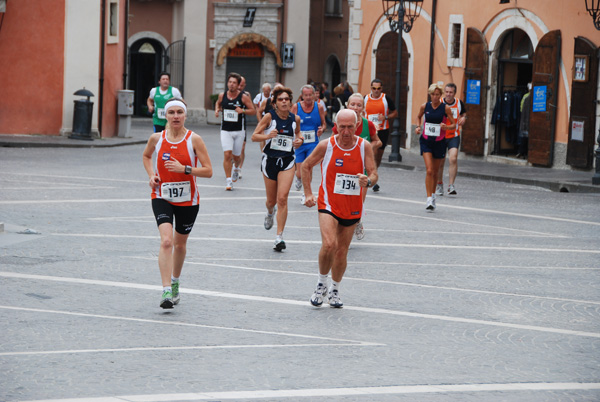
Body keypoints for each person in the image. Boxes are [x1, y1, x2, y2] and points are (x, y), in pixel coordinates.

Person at [302, 109, 378, 308]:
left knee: (342, 251)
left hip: (352, 205)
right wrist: (308, 193)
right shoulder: (326, 145)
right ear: (336, 126)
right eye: (341, 127)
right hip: (328, 203)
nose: (345, 131)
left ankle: (334, 289)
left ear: (357, 127)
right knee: (329, 244)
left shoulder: (364, 146)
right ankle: (321, 284)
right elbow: (306, 166)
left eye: (350, 127)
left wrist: (368, 181)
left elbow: (374, 173)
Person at [142, 98, 213, 308]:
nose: (175, 116)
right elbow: (146, 156)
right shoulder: (157, 138)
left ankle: (174, 282)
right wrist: (152, 175)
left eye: (179, 113)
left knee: (180, 244)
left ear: (185, 115)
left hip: (188, 200)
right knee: (166, 241)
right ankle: (165, 292)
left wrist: (186, 169)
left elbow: (208, 171)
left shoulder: (195, 140)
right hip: (161, 196)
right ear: (165, 115)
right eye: (171, 112)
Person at [251, 86, 303, 251]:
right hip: (270, 161)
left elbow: (299, 134)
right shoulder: (269, 117)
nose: (284, 102)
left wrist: (299, 141)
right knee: (271, 201)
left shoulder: (295, 119)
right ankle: (269, 212)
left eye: (286, 99)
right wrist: (267, 136)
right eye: (280, 99)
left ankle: (279, 237)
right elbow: (254, 136)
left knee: (282, 199)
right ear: (274, 103)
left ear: (290, 102)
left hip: (287, 161)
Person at [332, 93, 381, 240]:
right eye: (353, 104)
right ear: (348, 106)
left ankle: (358, 221)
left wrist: (367, 147)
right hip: (344, 168)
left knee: (359, 199)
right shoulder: (340, 125)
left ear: (363, 109)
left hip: (362, 170)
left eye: (359, 105)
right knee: (341, 199)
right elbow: (333, 144)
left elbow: (378, 142)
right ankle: (340, 226)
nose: (355, 107)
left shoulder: (368, 125)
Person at [415, 83, 455, 211]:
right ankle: (428, 199)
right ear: (430, 94)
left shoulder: (445, 108)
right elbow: (418, 116)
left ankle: (433, 196)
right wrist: (417, 126)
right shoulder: (425, 106)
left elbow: (454, 125)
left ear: (440, 95)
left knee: (436, 172)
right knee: (429, 170)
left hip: (439, 141)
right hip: (426, 141)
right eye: (433, 94)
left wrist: (446, 127)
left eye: (437, 94)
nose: (435, 97)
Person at [214, 72, 256, 190]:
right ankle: (228, 181)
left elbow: (253, 111)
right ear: (227, 83)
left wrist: (243, 111)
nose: (231, 85)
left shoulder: (243, 97)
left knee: (236, 156)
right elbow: (218, 103)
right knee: (227, 155)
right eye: (230, 82)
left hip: (239, 130)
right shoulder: (222, 95)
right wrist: (217, 110)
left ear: (238, 85)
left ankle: (237, 168)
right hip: (225, 130)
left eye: (234, 83)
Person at [364, 78, 397, 192]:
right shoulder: (365, 98)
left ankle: (373, 176)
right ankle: (371, 177)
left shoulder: (386, 99)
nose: (376, 90)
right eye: (374, 88)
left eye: (378, 88)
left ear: (381, 89)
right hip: (368, 130)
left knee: (378, 156)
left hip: (382, 130)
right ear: (371, 88)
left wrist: (385, 117)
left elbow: (395, 112)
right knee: (372, 152)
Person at [291, 85, 325, 194]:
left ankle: (306, 192)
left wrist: (321, 129)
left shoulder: (319, 107)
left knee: (308, 167)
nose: (309, 97)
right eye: (306, 95)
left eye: (311, 95)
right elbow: (289, 123)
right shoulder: (296, 107)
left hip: (313, 143)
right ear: (302, 96)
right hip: (300, 143)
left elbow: (324, 124)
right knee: (300, 173)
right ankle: (299, 179)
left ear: (314, 95)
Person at [436, 83, 467, 196]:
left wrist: (464, 118)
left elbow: (464, 113)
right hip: (441, 136)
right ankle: (439, 185)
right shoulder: (439, 103)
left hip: (454, 135)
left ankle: (451, 186)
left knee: (453, 159)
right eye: (447, 92)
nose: (448, 94)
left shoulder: (459, 103)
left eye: (451, 92)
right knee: (440, 161)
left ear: (455, 93)